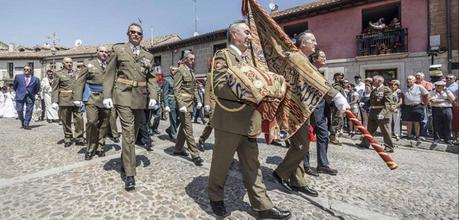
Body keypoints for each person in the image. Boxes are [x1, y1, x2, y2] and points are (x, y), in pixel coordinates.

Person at [208, 21, 292, 219]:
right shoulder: (224, 56)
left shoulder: (249, 62)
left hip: (249, 122)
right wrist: (250, 93)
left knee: (253, 166)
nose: (249, 36)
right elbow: (219, 87)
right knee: (221, 164)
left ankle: (262, 206)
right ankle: (215, 196)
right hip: (229, 121)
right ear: (234, 35)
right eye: (246, 32)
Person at [273, 31, 349, 202]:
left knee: (301, 145)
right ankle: (280, 173)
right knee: (301, 146)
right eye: (312, 40)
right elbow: (315, 79)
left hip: (302, 107)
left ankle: (297, 181)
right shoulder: (297, 57)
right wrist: (335, 95)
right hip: (294, 108)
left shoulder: (302, 59)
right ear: (302, 43)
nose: (315, 43)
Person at [103, 22, 159, 191]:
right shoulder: (119, 50)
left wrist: (154, 96)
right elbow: (110, 73)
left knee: (133, 134)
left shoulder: (148, 56)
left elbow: (152, 78)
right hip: (123, 95)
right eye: (133, 32)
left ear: (142, 37)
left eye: (139, 33)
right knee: (128, 134)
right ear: (128, 34)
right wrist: (107, 95)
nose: (136, 35)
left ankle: (125, 160)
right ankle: (130, 174)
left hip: (140, 97)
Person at [303, 49, 339, 177]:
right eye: (322, 56)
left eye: (325, 56)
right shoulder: (309, 70)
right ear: (314, 58)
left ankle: (322, 165)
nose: (325, 58)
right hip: (310, 110)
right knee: (305, 138)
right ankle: (305, 165)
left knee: (324, 136)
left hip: (322, 111)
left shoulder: (319, 72)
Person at [74, 46, 111, 160]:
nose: (104, 53)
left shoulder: (111, 65)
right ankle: (90, 148)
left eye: (106, 52)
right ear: (96, 53)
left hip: (107, 97)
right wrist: (77, 98)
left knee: (104, 123)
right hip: (92, 96)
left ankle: (100, 146)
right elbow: (80, 81)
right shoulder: (88, 64)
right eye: (101, 51)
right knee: (92, 122)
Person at [173, 50, 204, 166]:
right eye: (191, 59)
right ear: (185, 59)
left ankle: (177, 149)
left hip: (190, 103)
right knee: (188, 129)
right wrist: (181, 105)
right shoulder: (180, 70)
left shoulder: (191, 72)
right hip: (184, 104)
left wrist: (198, 101)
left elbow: (194, 88)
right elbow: (176, 89)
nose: (193, 61)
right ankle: (195, 155)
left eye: (194, 59)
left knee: (184, 127)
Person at [357, 75, 396, 152]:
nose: (372, 82)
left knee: (385, 130)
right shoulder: (374, 90)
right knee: (369, 130)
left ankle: (389, 147)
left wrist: (382, 113)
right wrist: (364, 104)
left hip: (382, 112)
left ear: (380, 81)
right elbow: (371, 101)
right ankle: (365, 143)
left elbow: (388, 104)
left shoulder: (386, 89)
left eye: (374, 80)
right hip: (373, 112)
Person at [52, 57, 85, 147]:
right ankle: (68, 138)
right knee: (66, 120)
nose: (69, 64)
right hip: (64, 100)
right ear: (63, 63)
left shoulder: (77, 73)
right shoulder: (58, 74)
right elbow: (55, 88)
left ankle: (79, 137)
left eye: (70, 62)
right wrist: (54, 101)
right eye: (67, 62)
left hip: (77, 99)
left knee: (79, 119)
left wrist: (82, 98)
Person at [13, 65, 40, 129]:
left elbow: (37, 88)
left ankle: (26, 124)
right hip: (20, 95)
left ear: (31, 71)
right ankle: (22, 121)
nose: (26, 71)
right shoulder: (18, 77)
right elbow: (15, 86)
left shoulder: (36, 79)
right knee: (19, 110)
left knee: (29, 110)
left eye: (28, 69)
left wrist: (33, 93)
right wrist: (18, 92)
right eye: (25, 69)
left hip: (30, 96)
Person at [401, 75, 429, 141]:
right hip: (407, 106)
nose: (408, 80)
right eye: (407, 79)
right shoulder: (404, 88)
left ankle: (417, 136)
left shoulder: (419, 87)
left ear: (414, 81)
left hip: (417, 106)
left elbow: (426, 94)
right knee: (409, 121)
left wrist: (425, 104)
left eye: (410, 79)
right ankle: (409, 135)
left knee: (417, 122)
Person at [429, 80, 455, 144]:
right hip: (436, 108)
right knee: (436, 124)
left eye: (439, 86)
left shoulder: (447, 92)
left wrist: (446, 96)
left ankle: (447, 139)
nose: (437, 87)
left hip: (447, 108)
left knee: (447, 124)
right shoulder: (432, 92)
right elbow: (432, 101)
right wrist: (445, 100)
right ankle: (437, 139)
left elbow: (452, 100)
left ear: (443, 86)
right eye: (436, 85)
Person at [197, 68, 217, 150]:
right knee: (212, 122)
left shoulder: (226, 74)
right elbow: (207, 90)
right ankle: (202, 139)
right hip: (213, 102)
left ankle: (219, 143)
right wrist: (207, 104)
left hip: (222, 104)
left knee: (220, 125)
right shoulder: (210, 75)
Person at [329, 72, 346, 145]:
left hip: (339, 106)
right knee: (336, 121)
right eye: (340, 77)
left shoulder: (339, 86)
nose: (342, 78)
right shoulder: (337, 87)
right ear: (336, 78)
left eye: (342, 77)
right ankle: (332, 138)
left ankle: (333, 136)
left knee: (338, 121)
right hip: (337, 107)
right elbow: (336, 97)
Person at [163, 68, 179, 141]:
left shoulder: (179, 79)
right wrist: (166, 105)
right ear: (170, 71)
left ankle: (170, 129)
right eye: (172, 70)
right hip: (171, 101)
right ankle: (174, 135)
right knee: (173, 119)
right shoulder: (167, 80)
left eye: (176, 70)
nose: (174, 71)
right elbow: (165, 93)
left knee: (179, 119)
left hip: (179, 102)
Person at [415, 72, 432, 139]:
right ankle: (416, 134)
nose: (417, 77)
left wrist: (426, 104)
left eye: (419, 76)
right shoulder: (414, 84)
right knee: (416, 120)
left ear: (423, 77)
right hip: (415, 104)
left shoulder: (427, 84)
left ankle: (423, 134)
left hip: (423, 104)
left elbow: (429, 95)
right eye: (416, 76)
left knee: (424, 120)